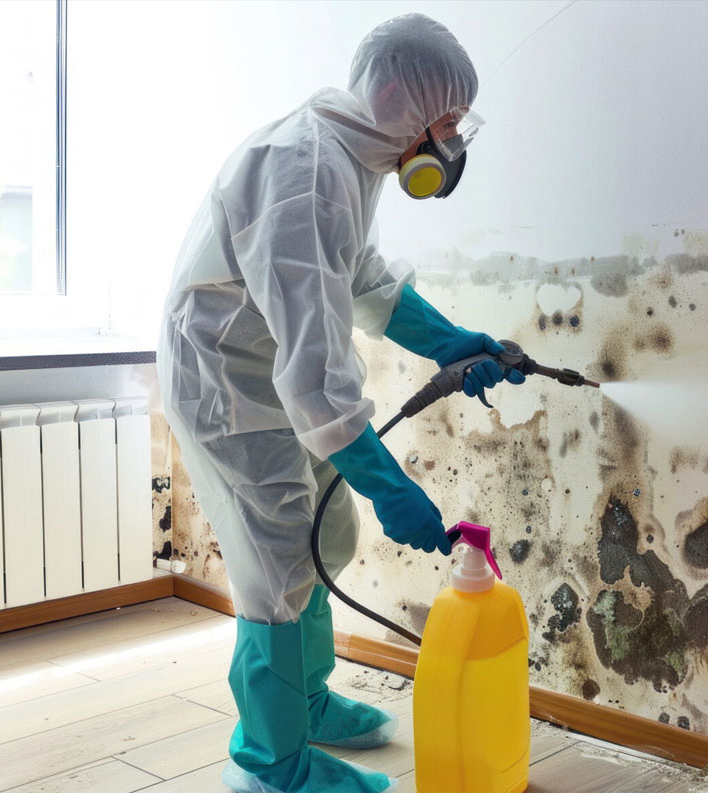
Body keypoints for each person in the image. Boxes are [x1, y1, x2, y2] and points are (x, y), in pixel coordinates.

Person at [157, 13, 524, 793]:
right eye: (447, 120)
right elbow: (315, 377)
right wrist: (390, 484)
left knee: (322, 531)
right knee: (279, 557)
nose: (451, 141)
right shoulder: (304, 172)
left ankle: (307, 701)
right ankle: (270, 762)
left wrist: (451, 340)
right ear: (400, 99)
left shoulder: (349, 157)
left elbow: (360, 280)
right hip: (226, 377)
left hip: (266, 367)